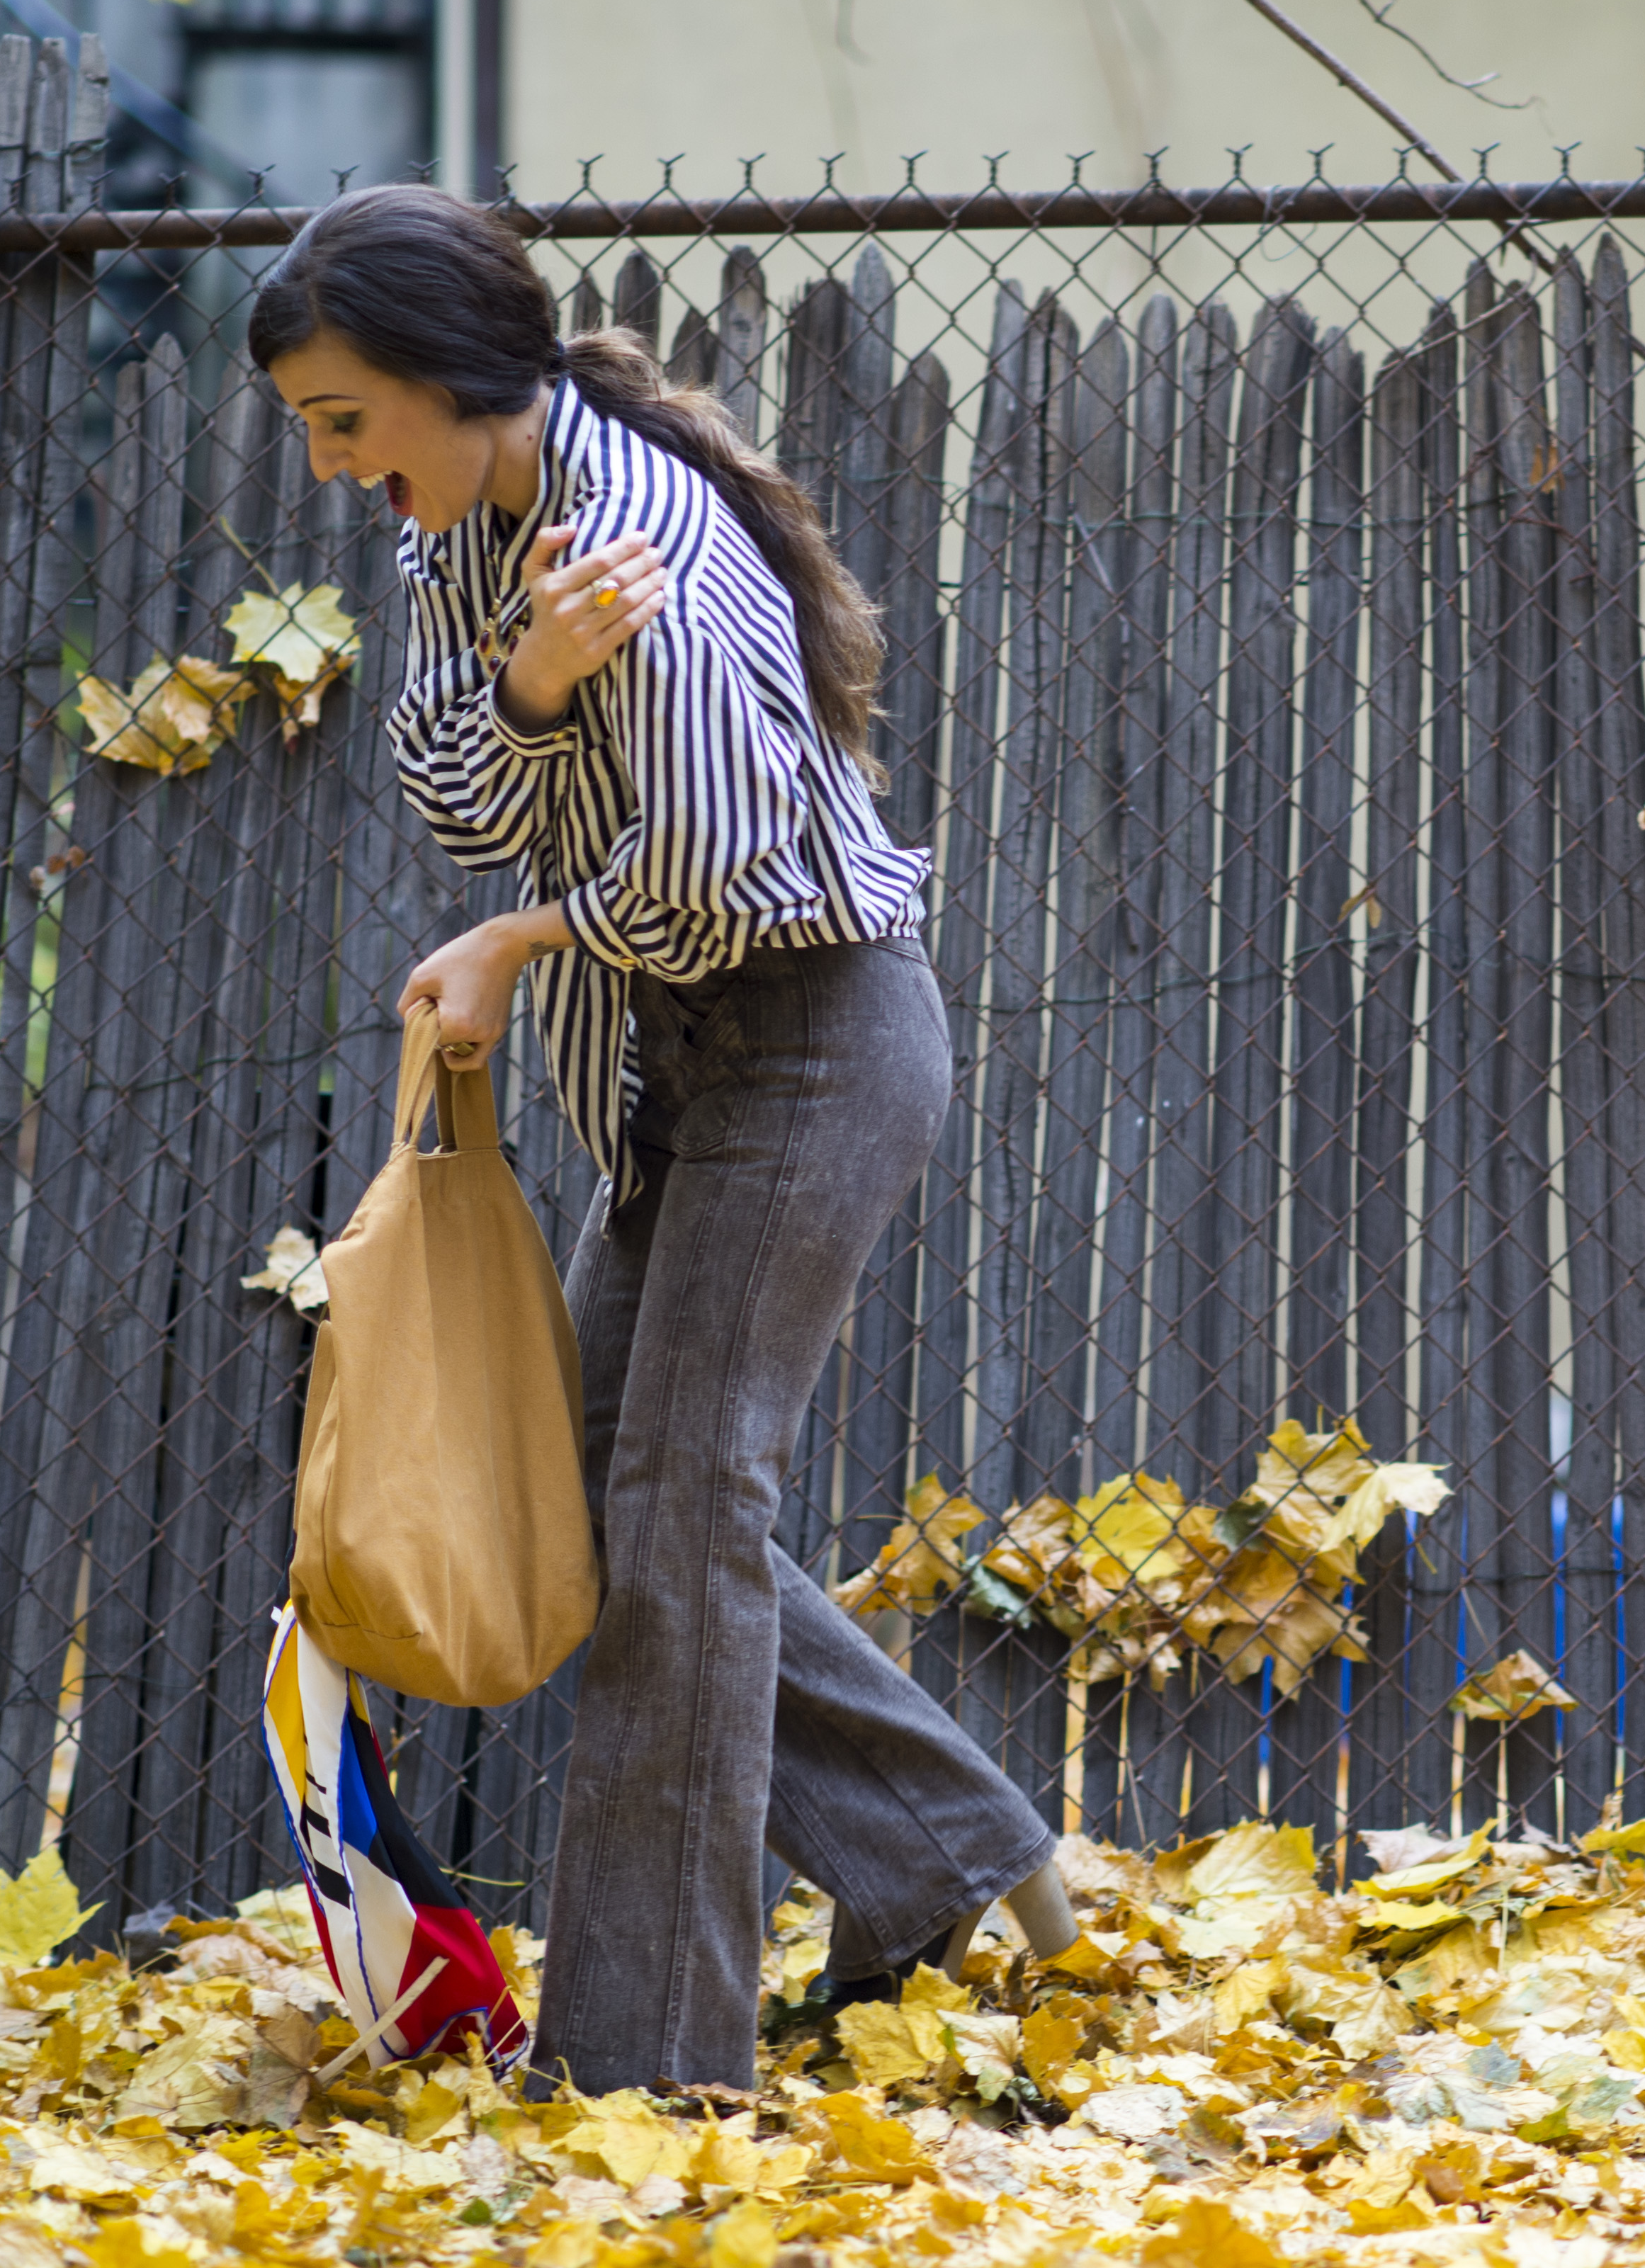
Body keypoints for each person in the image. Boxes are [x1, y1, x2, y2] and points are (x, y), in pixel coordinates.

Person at [249, 183, 1073, 2095]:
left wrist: (527, 929)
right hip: (691, 1061)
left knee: (686, 1519)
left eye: (346, 418)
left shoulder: (644, 547)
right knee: (618, 1497)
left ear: (456, 385)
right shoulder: (471, 525)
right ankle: (946, 1852)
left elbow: (714, 878)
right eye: (311, 425)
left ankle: (648, 2071)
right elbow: (444, 779)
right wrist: (531, 689)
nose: (332, 461)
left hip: (812, 1039)